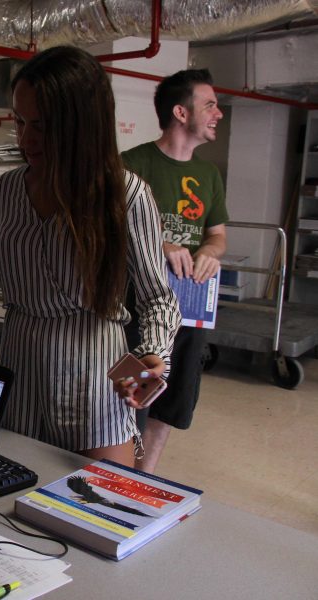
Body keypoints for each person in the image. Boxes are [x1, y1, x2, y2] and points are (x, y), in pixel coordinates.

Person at [0, 46, 181, 468]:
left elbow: (157, 298)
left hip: (97, 375)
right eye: (20, 121)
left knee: (99, 509)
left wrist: (152, 353)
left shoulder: (126, 196)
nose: (26, 139)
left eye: (45, 126)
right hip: (22, 368)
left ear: (83, 127)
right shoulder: (4, 193)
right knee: (13, 497)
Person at [122, 69, 228, 473]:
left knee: (172, 402)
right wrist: (159, 244)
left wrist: (211, 253)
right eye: (210, 104)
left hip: (191, 310)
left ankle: (141, 483)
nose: (218, 113)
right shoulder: (132, 164)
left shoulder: (209, 175)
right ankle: (116, 480)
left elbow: (217, 236)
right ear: (181, 113)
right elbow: (105, 233)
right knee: (133, 402)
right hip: (140, 312)